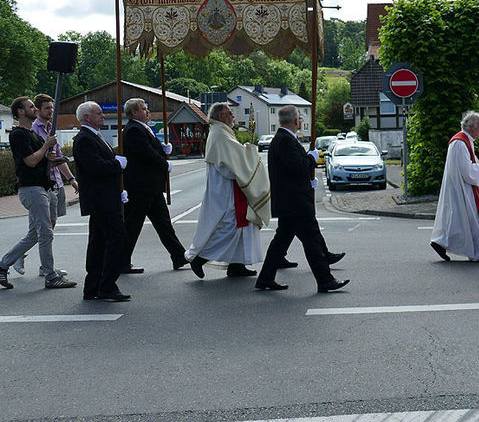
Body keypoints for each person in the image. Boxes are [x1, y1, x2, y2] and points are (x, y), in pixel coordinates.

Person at [255, 106, 349, 292]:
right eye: (299, 117)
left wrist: (308, 178)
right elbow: (297, 167)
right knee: (311, 240)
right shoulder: (285, 141)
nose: (301, 121)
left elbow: (291, 171)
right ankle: (325, 280)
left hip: (290, 200)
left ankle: (265, 278)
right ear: (296, 121)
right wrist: (311, 159)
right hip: (295, 202)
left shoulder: (283, 139)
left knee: (281, 241)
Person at [186, 103, 270, 278]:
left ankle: (236, 265)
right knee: (229, 228)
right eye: (229, 113)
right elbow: (228, 167)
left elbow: (233, 157)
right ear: (221, 117)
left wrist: (245, 153)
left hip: (231, 189)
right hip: (227, 191)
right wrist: (249, 153)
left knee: (242, 227)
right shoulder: (220, 134)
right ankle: (200, 258)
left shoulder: (221, 132)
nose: (232, 116)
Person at [0, 97, 76, 290]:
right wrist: (45, 147)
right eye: (31, 106)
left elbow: (41, 160)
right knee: (45, 233)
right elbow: (30, 162)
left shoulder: (32, 134)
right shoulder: (18, 135)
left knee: (35, 234)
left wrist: (53, 157)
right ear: (20, 112)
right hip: (31, 188)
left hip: (42, 187)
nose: (35, 108)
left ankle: (3, 265)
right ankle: (50, 275)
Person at [121, 98, 188, 272]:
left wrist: (163, 149)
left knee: (164, 224)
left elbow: (151, 149)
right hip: (140, 188)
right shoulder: (133, 130)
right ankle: (120, 261)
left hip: (151, 188)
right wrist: (164, 163)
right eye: (144, 109)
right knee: (132, 226)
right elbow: (146, 153)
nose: (147, 111)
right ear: (134, 112)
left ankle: (179, 256)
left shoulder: (142, 128)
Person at [73, 101, 130, 301]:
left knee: (98, 243)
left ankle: (93, 286)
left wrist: (118, 190)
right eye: (98, 113)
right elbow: (95, 167)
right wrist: (116, 164)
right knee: (118, 239)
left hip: (105, 198)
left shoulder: (93, 136)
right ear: (87, 117)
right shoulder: (84, 139)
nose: (103, 116)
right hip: (101, 200)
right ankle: (107, 286)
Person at [430, 111, 479, 262]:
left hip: (461, 187)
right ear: (471, 126)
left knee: (459, 222)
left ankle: (440, 242)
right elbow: (467, 171)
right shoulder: (460, 143)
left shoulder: (464, 141)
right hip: (463, 189)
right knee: (472, 221)